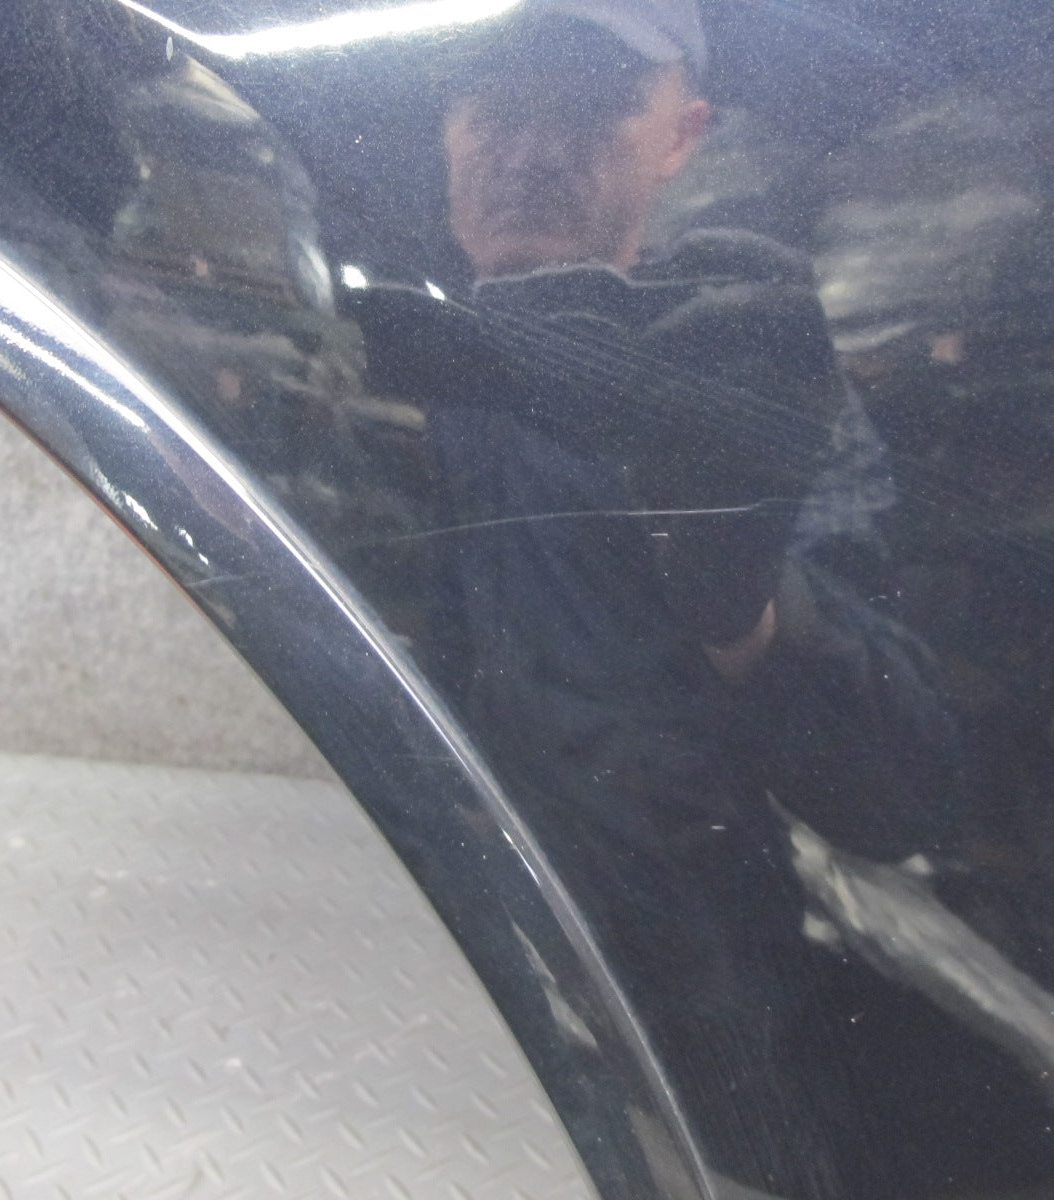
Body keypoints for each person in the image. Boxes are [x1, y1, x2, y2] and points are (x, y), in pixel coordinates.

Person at [349, 3, 934, 1193]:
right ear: (447, 126)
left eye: (584, 110)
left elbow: (906, 791)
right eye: (495, 108)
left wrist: (746, 610)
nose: (528, 154)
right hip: (424, 999)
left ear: (680, 134)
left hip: (696, 1037)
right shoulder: (375, 371)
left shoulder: (741, 384)